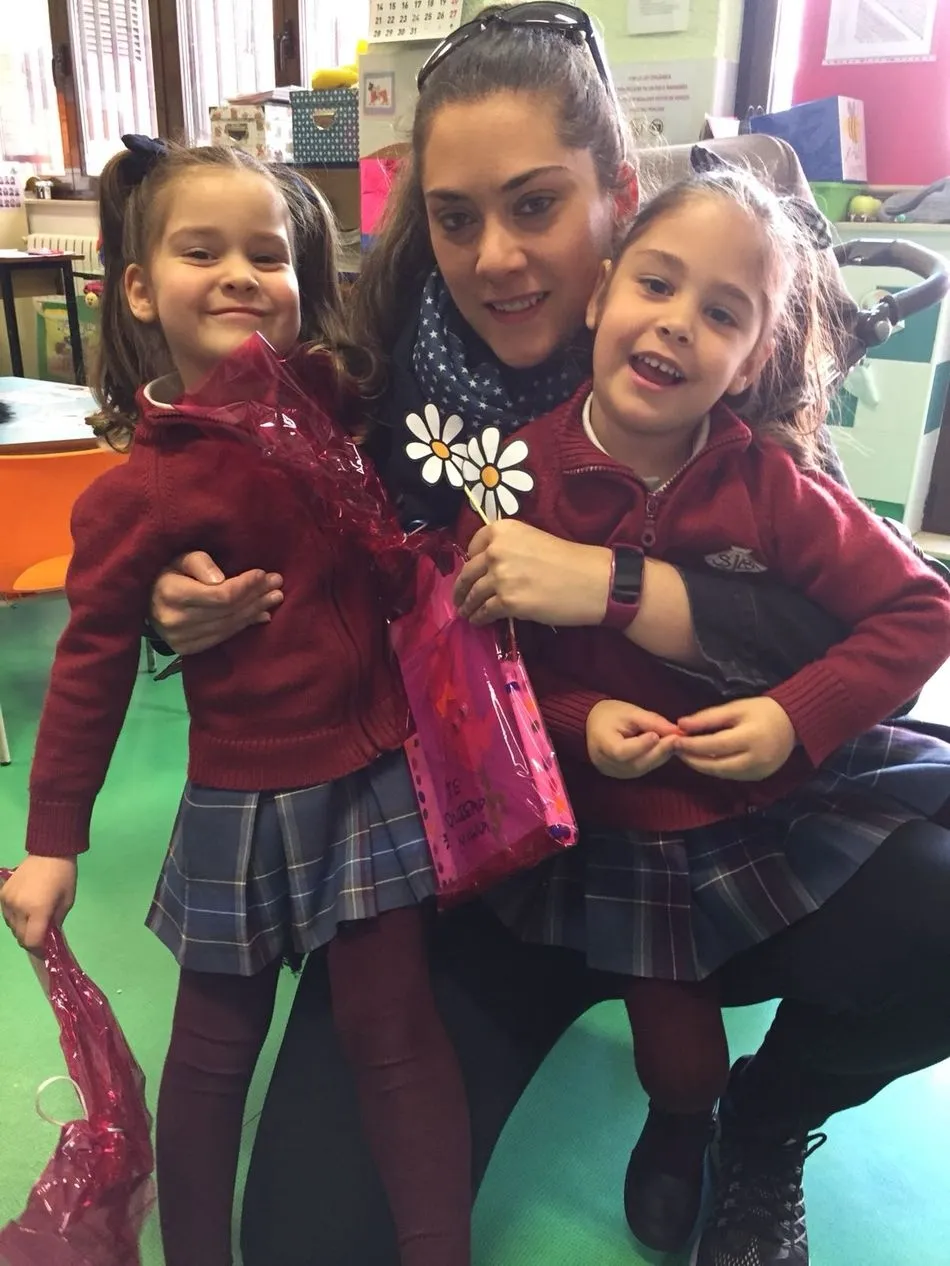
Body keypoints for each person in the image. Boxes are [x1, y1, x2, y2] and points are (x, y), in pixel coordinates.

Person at [150, 8, 950, 1266]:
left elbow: (861, 624)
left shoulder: (728, 366)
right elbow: (267, 557)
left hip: (714, 823)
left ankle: (763, 1121)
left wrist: (615, 587)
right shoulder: (375, 392)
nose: (496, 258)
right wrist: (180, 592)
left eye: (535, 205)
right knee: (311, 1240)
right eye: (455, 218)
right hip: (479, 859)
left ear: (615, 194)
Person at [453, 155, 950, 1257]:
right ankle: (685, 1120)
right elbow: (483, 669)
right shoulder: (512, 475)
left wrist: (792, 714)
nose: (678, 322)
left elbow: (921, 610)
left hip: (764, 799)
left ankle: (742, 1125)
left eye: (722, 313)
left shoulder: (767, 485)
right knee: (679, 1060)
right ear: (599, 295)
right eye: (656, 283)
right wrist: (581, 723)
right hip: (616, 827)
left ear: (752, 358)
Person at [0, 138, 472, 1266]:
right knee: (214, 1055)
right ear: (138, 289)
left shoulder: (339, 409)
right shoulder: (143, 491)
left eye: (266, 255)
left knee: (396, 1039)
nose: (238, 276)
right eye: (200, 252)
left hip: (373, 780)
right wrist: (52, 844)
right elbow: (89, 667)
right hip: (241, 804)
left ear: (304, 281)